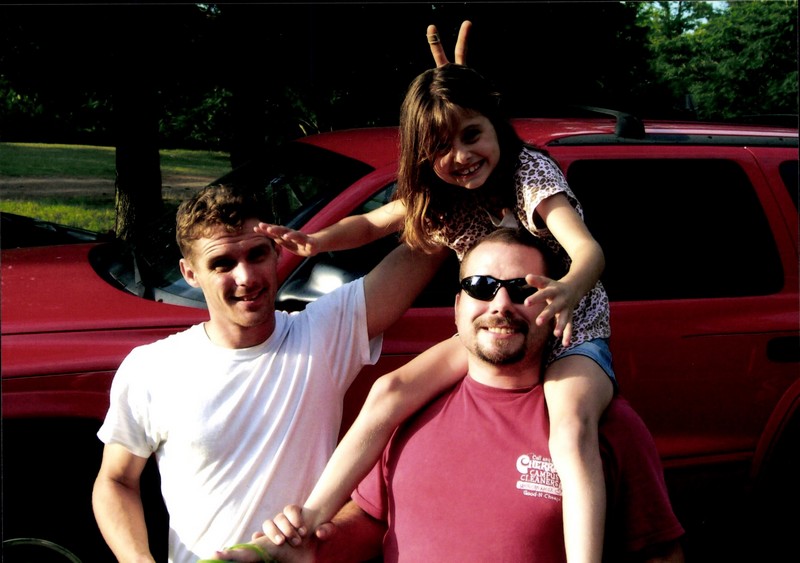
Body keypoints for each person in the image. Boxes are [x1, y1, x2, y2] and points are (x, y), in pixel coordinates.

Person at [256, 22, 613, 563]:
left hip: (571, 330)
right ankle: (308, 518)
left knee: (570, 428)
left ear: (495, 123)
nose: (461, 155)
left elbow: (589, 252)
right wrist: (317, 240)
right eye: (442, 146)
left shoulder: (530, 173)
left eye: (472, 135)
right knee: (390, 390)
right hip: (499, 329)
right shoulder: (444, 196)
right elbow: (371, 224)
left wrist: (567, 291)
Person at [217, 228, 685, 562]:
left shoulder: (604, 426)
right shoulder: (410, 407)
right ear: (458, 306)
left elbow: (659, 552)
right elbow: (372, 521)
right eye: (481, 287)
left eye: (523, 290)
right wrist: (309, 550)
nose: (501, 304)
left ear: (555, 304)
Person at [91, 183, 447, 563]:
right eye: (222, 263)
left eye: (256, 254)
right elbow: (116, 480)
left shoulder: (322, 335)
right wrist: (137, 559)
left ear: (277, 251)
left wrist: (460, 175)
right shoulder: (152, 367)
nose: (246, 277)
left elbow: (434, 238)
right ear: (190, 273)